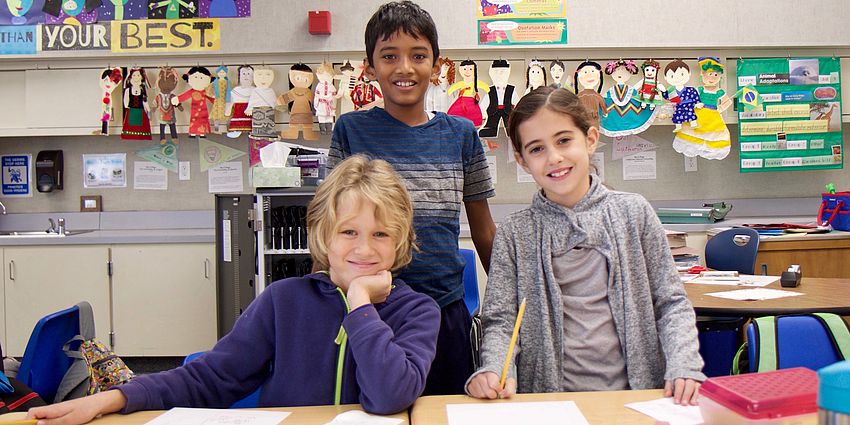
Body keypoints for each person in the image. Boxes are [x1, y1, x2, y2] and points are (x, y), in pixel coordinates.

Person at [26, 155, 441, 424]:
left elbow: (389, 395)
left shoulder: (418, 311)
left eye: (382, 234)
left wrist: (360, 305)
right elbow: (211, 378)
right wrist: (115, 398)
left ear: (401, 240)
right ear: (322, 235)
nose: (365, 249)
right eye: (349, 231)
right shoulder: (284, 301)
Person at [466, 86, 705, 405]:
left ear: (590, 139)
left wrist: (683, 364)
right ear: (522, 161)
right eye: (537, 149)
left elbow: (670, 301)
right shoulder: (515, 232)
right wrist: (496, 368)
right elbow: (501, 319)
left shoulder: (633, 213)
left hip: (635, 399)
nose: (554, 157)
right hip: (550, 403)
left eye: (564, 140)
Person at [328, 0, 496, 396]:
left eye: (418, 56)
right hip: (371, 307)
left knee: (447, 409)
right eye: (389, 56)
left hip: (444, 310)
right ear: (369, 66)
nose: (404, 68)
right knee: (371, 407)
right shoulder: (350, 130)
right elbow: (330, 225)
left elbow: (483, 227)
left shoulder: (461, 134)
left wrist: (507, 294)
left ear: (437, 66)